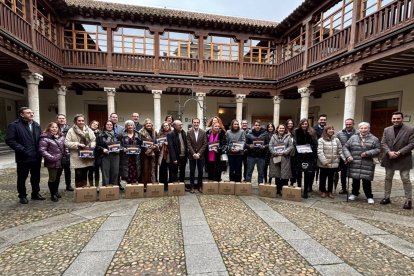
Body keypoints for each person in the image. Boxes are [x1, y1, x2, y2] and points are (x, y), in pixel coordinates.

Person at [6, 107, 45, 204]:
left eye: (32, 113)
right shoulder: (14, 125)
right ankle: (22, 195)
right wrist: (23, 150)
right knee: (22, 177)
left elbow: (40, 139)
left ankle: (35, 193)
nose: (31, 114)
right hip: (23, 156)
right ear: (22, 114)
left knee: (36, 176)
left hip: (36, 156)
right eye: (28, 113)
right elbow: (10, 140)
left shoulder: (36, 125)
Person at [380, 111, 414, 209]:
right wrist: (389, 152)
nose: (396, 120)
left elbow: (412, 143)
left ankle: (408, 200)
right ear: (392, 119)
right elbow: (383, 143)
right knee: (388, 178)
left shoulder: (410, 129)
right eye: (394, 118)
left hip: (404, 157)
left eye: (398, 118)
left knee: (405, 179)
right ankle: (386, 197)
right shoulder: (387, 129)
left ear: (402, 119)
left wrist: (399, 152)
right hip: (389, 157)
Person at [343, 122, 380, 204]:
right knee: (355, 179)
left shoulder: (374, 139)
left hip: (367, 163)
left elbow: (378, 149)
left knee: (366, 181)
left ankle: (369, 196)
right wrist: (348, 156)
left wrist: (368, 153)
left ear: (369, 129)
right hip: (355, 161)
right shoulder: (353, 138)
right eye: (361, 128)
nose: (363, 130)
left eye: (365, 128)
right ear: (359, 129)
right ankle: (354, 193)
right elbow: (345, 147)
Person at [65, 114, 96, 187]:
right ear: (75, 121)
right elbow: (66, 143)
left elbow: (94, 140)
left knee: (85, 173)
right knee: (79, 174)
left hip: (87, 155)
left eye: (82, 120)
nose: (81, 122)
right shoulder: (71, 130)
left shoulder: (88, 130)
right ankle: (79, 191)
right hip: (77, 157)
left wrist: (91, 145)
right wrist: (78, 144)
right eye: (79, 120)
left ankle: (84, 191)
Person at [39, 122, 66, 202]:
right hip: (52, 161)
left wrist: (66, 154)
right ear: (49, 128)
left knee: (58, 177)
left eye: (56, 127)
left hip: (61, 161)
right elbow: (42, 150)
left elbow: (65, 147)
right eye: (52, 127)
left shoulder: (61, 137)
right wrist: (52, 158)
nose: (54, 129)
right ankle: (52, 194)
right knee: (52, 178)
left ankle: (56, 191)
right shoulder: (45, 138)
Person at [317, 125, 344, 198]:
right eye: (329, 129)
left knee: (331, 178)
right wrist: (324, 162)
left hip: (334, 163)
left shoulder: (336, 140)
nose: (331, 130)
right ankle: (323, 191)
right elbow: (320, 152)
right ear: (326, 130)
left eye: (332, 129)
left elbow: (340, 150)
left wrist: (344, 158)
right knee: (322, 178)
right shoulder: (321, 140)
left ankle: (330, 191)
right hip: (324, 163)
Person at [294, 118, 317, 199]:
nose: (304, 125)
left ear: (308, 125)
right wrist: (300, 150)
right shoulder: (296, 131)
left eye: (306, 124)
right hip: (299, 156)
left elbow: (314, 143)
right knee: (299, 174)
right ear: (300, 124)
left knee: (307, 174)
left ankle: (305, 191)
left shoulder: (312, 132)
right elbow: (295, 143)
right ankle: (299, 189)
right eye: (303, 124)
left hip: (308, 156)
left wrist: (309, 149)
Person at [269, 124, 293, 195]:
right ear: (277, 129)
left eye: (283, 128)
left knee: (285, 174)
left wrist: (285, 152)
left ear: (285, 129)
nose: (281, 129)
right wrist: (275, 152)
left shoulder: (288, 137)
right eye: (280, 128)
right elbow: (270, 146)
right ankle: (278, 189)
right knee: (277, 174)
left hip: (285, 158)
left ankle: (284, 189)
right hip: (276, 157)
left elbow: (290, 146)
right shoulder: (273, 137)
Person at [96, 121, 121, 186]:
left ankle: (114, 187)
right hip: (105, 156)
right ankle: (106, 188)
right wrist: (103, 149)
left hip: (115, 155)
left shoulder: (117, 135)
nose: (109, 126)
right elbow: (97, 146)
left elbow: (120, 145)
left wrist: (119, 150)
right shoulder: (100, 135)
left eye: (111, 125)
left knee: (115, 172)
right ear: (105, 126)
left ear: (113, 126)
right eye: (108, 125)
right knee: (105, 172)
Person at [336, 118, 357, 194]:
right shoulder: (339, 133)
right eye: (346, 124)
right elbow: (337, 145)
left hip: (355, 157)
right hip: (343, 157)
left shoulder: (358, 133)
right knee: (343, 173)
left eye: (349, 124)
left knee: (355, 174)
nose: (348, 125)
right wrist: (343, 157)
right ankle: (344, 188)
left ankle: (355, 189)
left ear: (353, 124)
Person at [245, 120, 269, 184]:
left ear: (260, 126)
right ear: (253, 126)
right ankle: (248, 186)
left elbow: (268, 144)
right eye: (256, 125)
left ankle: (260, 186)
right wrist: (249, 146)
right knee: (249, 172)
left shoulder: (265, 133)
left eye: (258, 125)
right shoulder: (249, 134)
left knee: (261, 173)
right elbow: (245, 144)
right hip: (251, 156)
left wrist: (264, 146)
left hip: (261, 156)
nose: (257, 126)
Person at [187, 118, 207, 192]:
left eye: (197, 122)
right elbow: (188, 144)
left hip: (200, 156)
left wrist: (199, 153)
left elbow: (205, 144)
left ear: (199, 123)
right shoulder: (189, 132)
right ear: (192, 123)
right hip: (192, 156)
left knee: (200, 172)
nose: (196, 124)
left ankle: (199, 186)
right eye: (194, 122)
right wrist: (193, 154)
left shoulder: (203, 132)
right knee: (192, 171)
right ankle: (192, 187)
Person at [167, 120, 188, 186]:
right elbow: (171, 147)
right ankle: (174, 186)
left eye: (181, 124)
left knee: (182, 172)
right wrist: (174, 159)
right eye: (179, 125)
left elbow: (185, 143)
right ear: (175, 126)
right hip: (176, 157)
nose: (181, 126)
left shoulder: (183, 132)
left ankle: (182, 185)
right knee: (174, 172)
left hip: (183, 156)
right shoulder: (170, 134)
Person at [56, 114, 74, 191]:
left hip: (67, 152)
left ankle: (68, 185)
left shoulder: (70, 128)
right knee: (58, 171)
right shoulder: (54, 127)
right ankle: (55, 187)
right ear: (57, 120)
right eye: (60, 118)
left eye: (63, 118)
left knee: (67, 170)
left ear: (65, 119)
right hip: (57, 152)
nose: (61, 120)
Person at [139, 118, 159, 186]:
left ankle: (152, 184)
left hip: (154, 153)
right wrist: (149, 149)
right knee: (145, 169)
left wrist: (156, 146)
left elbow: (157, 141)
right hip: (145, 154)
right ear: (144, 125)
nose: (148, 124)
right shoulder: (141, 132)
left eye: (150, 123)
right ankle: (145, 185)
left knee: (153, 169)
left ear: (152, 124)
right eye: (147, 123)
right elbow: (140, 143)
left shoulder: (154, 132)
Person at [313, 114, 327, 192]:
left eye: (324, 120)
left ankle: (322, 188)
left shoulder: (327, 129)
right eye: (321, 120)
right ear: (318, 120)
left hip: (324, 152)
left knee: (323, 172)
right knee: (312, 170)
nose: (323, 121)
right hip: (315, 152)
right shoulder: (313, 129)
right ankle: (309, 186)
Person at [158, 121, 172, 190]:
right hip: (162, 154)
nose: (166, 127)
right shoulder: (160, 134)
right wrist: (159, 145)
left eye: (167, 125)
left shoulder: (172, 134)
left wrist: (168, 144)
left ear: (169, 126)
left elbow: (175, 144)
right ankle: (162, 184)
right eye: (164, 126)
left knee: (171, 170)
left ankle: (169, 184)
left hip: (170, 154)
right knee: (162, 170)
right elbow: (157, 143)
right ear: (162, 127)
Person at [88, 120, 100, 187]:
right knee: (90, 171)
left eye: (97, 124)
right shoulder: (86, 131)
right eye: (93, 123)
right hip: (89, 153)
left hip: (97, 154)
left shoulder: (99, 133)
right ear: (91, 124)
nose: (95, 125)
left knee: (97, 171)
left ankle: (97, 186)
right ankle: (91, 185)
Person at [286, 119, 296, 185]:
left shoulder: (295, 132)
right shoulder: (284, 132)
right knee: (286, 170)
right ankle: (285, 184)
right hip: (285, 154)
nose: (290, 125)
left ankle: (292, 184)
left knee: (293, 169)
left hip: (293, 154)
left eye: (291, 123)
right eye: (289, 123)